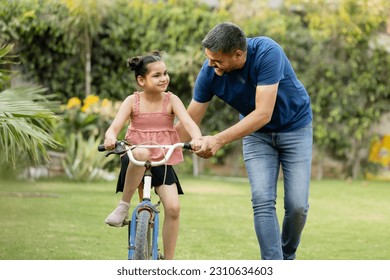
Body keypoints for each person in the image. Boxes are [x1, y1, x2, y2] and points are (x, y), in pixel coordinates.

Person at [176, 22, 313, 260]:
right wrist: (155, 148)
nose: (210, 65)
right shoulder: (210, 72)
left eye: (217, 60)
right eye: (208, 58)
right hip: (257, 137)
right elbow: (189, 121)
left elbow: (263, 113)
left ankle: (287, 256)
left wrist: (217, 140)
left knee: (298, 206)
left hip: (295, 128)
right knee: (262, 200)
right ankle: (273, 266)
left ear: (238, 54)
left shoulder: (268, 52)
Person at [103, 51, 202, 260]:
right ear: (141, 80)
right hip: (136, 159)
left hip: (163, 159)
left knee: (174, 208)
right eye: (157, 75)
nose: (164, 78)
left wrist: (197, 139)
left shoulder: (171, 100)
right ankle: (123, 206)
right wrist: (110, 137)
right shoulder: (132, 101)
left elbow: (188, 122)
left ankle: (169, 262)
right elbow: (113, 128)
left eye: (165, 73)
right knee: (141, 150)